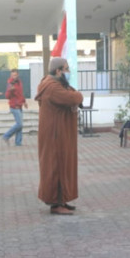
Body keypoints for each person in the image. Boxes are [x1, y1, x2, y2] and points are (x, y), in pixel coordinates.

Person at [36, 57, 83, 215]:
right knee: (58, 166)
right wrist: (78, 96)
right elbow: (72, 97)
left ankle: (62, 200)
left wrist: (75, 94)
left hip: (58, 134)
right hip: (55, 136)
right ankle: (56, 203)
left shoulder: (54, 84)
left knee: (63, 165)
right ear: (58, 71)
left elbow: (71, 93)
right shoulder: (52, 87)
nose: (68, 72)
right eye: (66, 68)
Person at [2, 69, 26, 146]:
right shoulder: (10, 83)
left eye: (15, 75)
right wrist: (10, 90)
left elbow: (21, 93)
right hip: (14, 106)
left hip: (19, 105)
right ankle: (6, 135)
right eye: (12, 75)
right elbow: (7, 96)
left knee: (20, 124)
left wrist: (24, 101)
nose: (14, 77)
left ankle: (18, 142)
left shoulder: (19, 82)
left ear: (17, 75)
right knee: (19, 124)